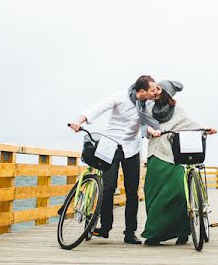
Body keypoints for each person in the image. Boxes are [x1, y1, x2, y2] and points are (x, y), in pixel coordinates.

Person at [69, 74, 161, 244]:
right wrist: (78, 122)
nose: (155, 92)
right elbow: (98, 108)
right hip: (110, 145)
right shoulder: (120, 96)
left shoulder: (148, 104)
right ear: (142, 91)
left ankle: (130, 232)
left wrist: (151, 128)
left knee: (132, 191)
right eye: (152, 89)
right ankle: (105, 227)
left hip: (131, 149)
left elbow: (159, 108)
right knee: (109, 187)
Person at [141, 80, 217, 246]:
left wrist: (206, 128)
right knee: (152, 193)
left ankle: (183, 231)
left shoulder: (178, 110)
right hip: (155, 153)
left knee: (179, 192)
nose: (154, 91)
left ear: (166, 92)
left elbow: (191, 123)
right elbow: (142, 124)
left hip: (172, 155)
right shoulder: (148, 108)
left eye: (158, 88)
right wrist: (150, 131)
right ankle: (155, 233)